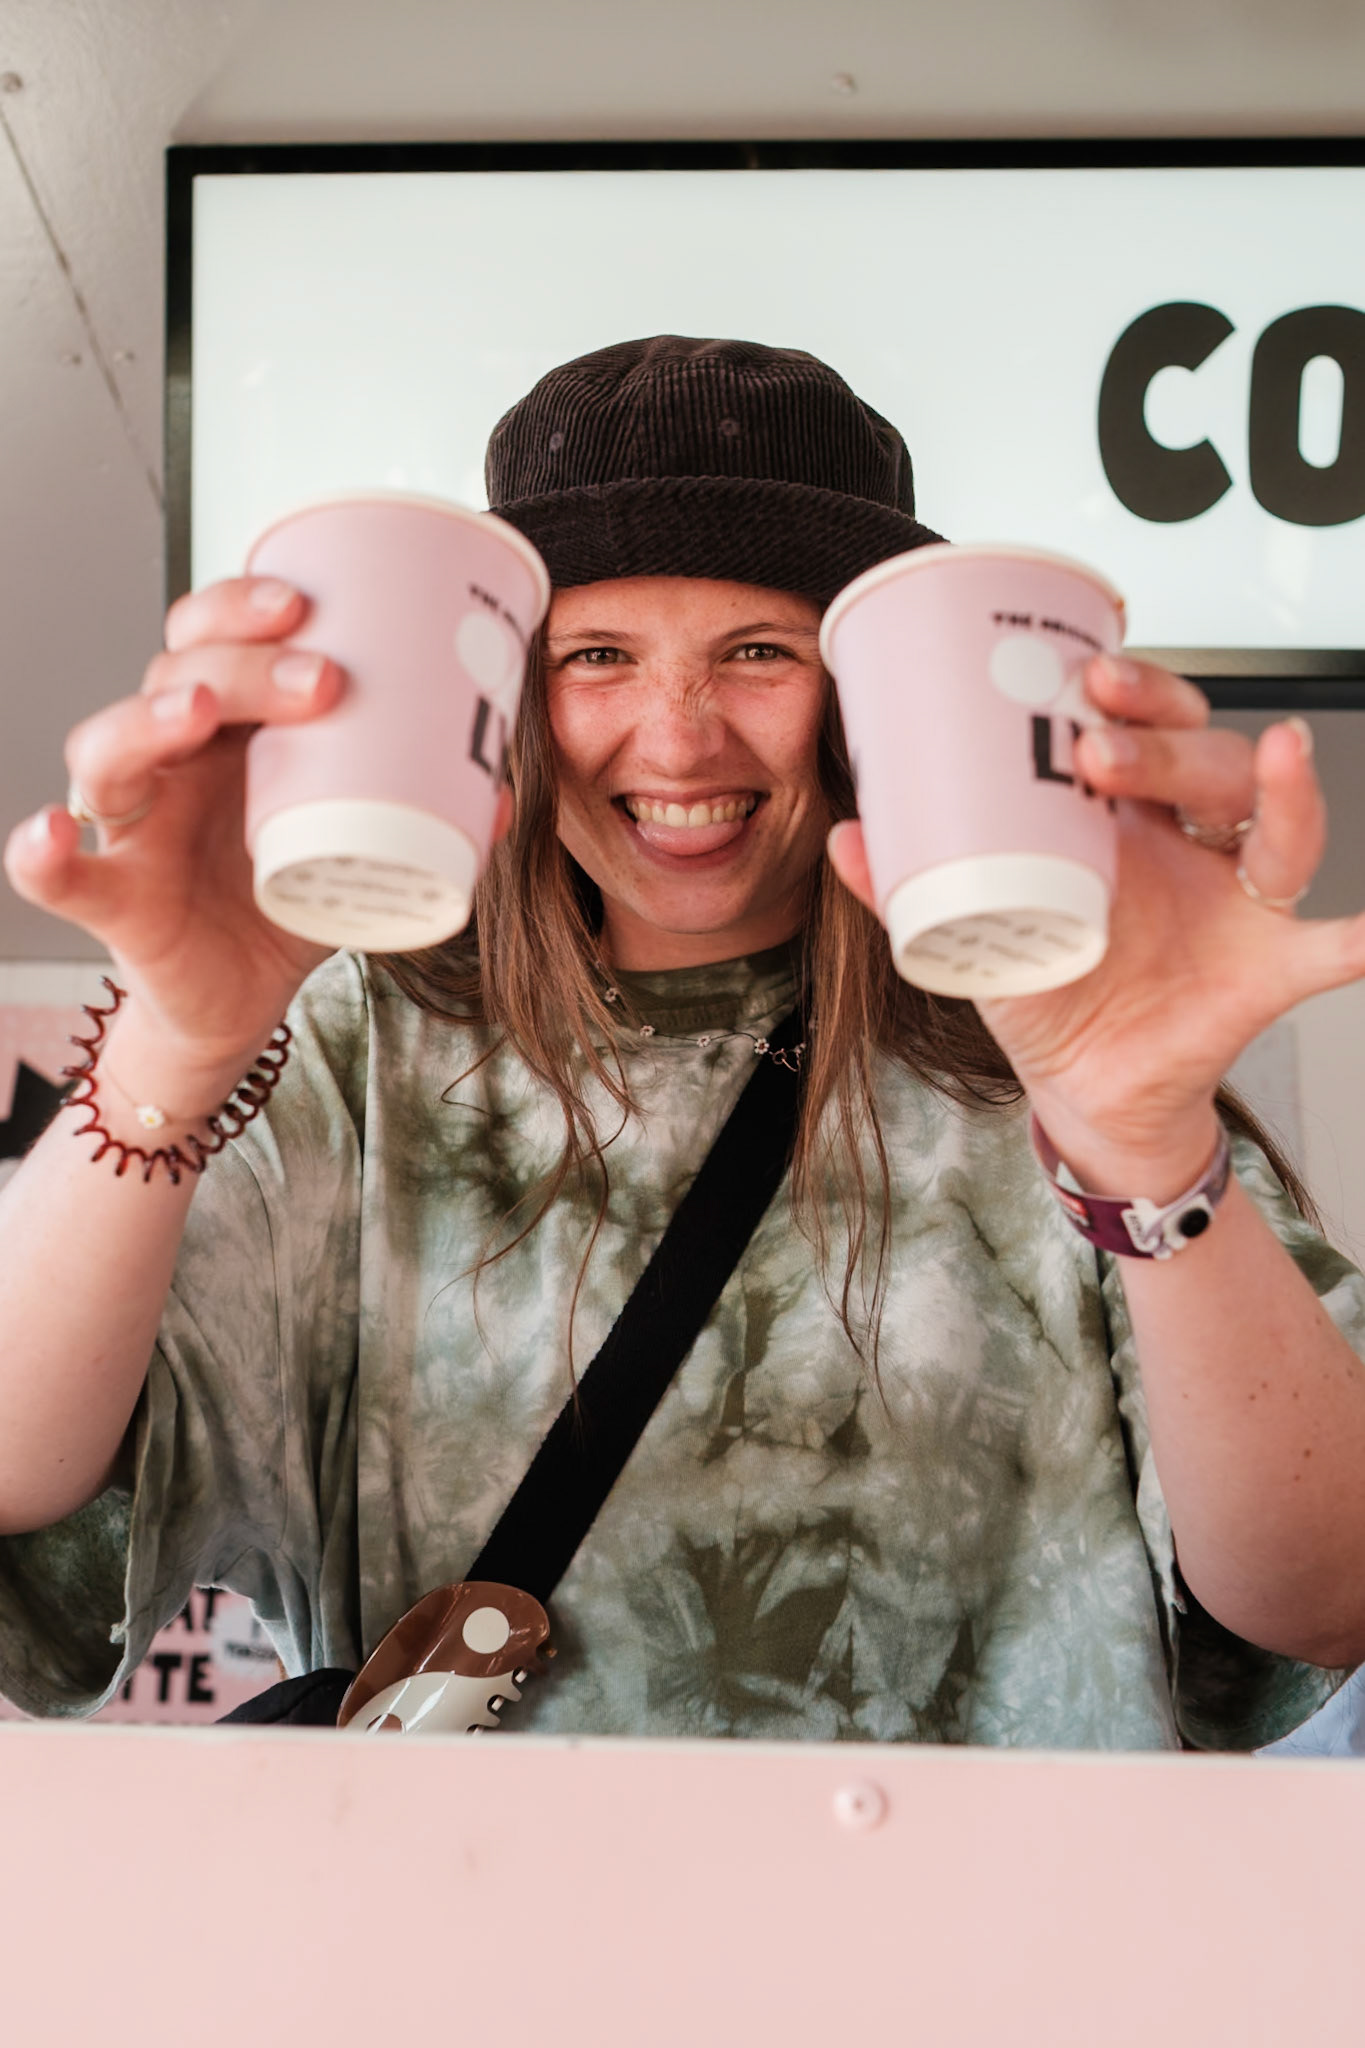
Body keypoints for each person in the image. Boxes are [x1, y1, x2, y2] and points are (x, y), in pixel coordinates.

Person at [3, 333, 1365, 1748]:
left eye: (758, 653)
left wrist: (1145, 1147)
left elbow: (1328, 1593)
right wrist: (178, 1039)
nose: (676, 740)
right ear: (510, 702)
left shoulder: (1051, 1052)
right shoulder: (369, 1050)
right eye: (596, 657)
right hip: (464, 1894)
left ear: (870, 700)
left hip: (1003, 1897)